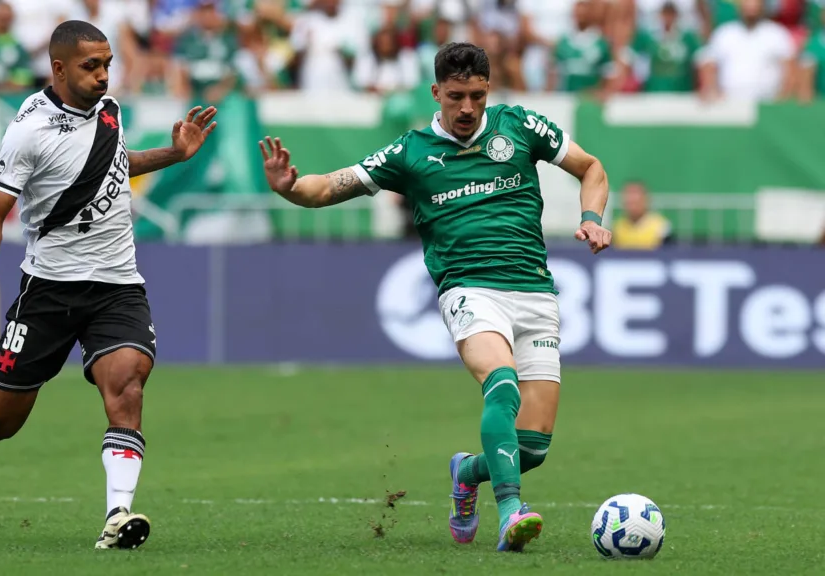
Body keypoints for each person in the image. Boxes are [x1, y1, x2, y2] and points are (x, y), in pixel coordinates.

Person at [258, 42, 611, 551]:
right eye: (455, 97)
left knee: (532, 444)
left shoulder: (520, 127)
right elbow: (329, 187)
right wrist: (289, 187)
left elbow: (592, 169)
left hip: (534, 289)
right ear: (436, 93)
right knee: (502, 384)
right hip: (469, 289)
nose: (467, 109)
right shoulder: (411, 152)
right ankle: (512, 509)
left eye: (476, 96)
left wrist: (591, 219)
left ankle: (466, 473)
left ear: (488, 91)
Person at [0, 20, 217, 550]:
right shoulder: (28, 131)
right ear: (58, 69)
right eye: (91, 67)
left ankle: (117, 515)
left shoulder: (110, 110)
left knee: (127, 384)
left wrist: (174, 153)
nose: (104, 76)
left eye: (107, 65)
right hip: (49, 291)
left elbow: (113, 169)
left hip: (116, 285)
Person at [612, 181, 672, 250]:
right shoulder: (617, 227)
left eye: (635, 203)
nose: (632, 207)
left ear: (645, 200)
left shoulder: (661, 226)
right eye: (629, 203)